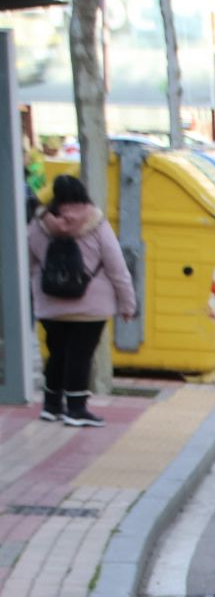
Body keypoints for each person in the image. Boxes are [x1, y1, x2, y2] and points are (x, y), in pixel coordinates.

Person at [26, 174, 137, 427]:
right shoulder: (96, 222)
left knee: (57, 353)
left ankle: (51, 406)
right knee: (81, 355)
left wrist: (38, 297)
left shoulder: (39, 223)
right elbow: (117, 268)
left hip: (51, 304)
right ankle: (76, 409)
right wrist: (128, 304)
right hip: (91, 306)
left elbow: (30, 266)